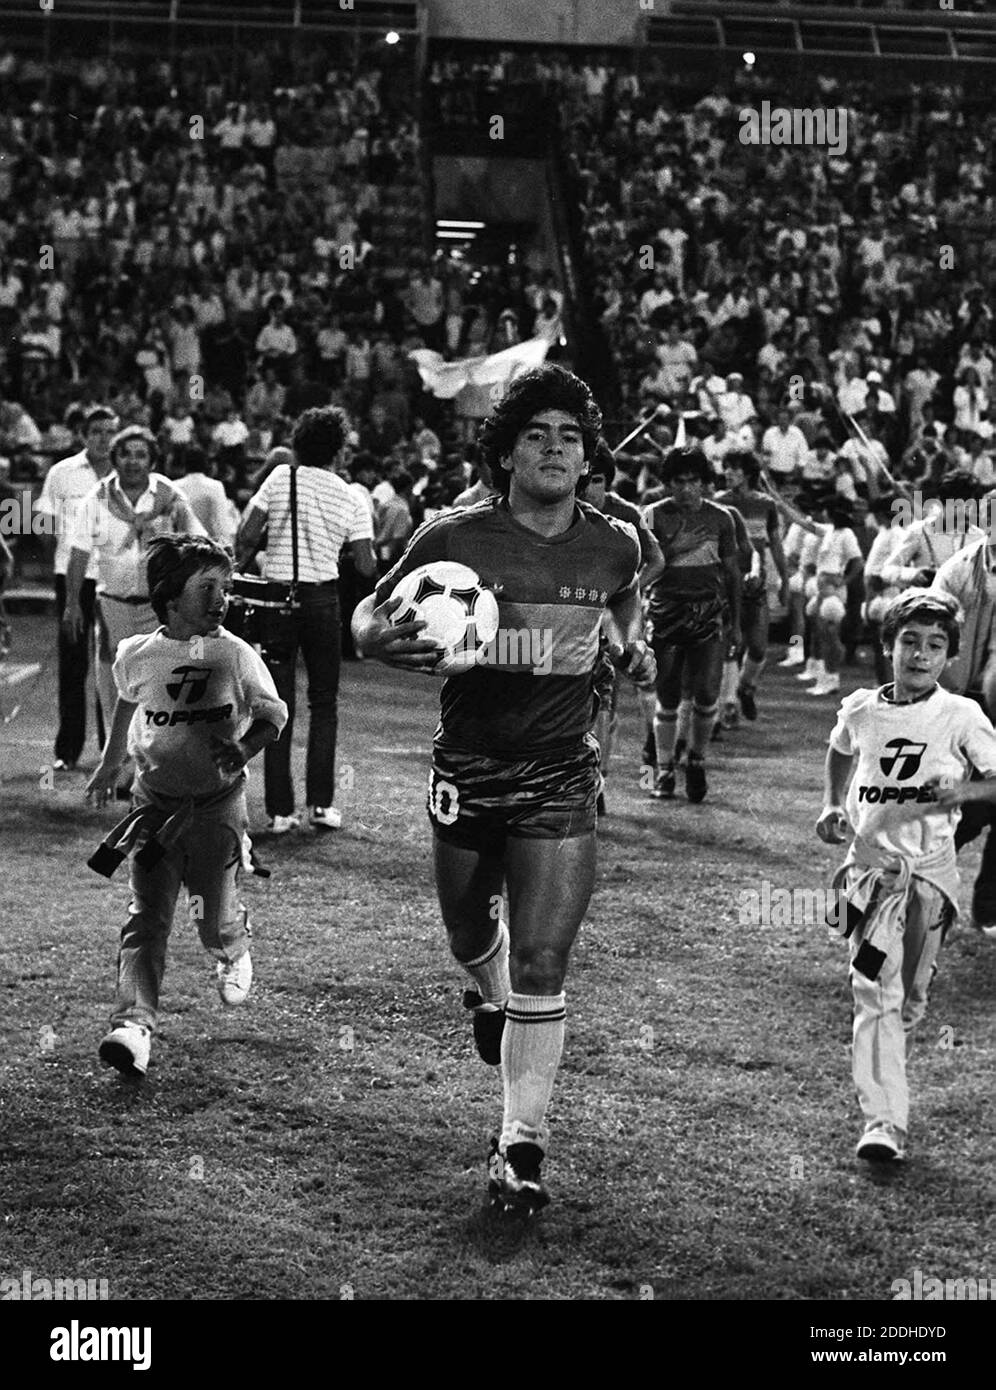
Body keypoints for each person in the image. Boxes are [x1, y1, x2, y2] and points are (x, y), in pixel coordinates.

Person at [350, 365, 654, 1215]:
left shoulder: (615, 542)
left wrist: (630, 645)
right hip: (470, 765)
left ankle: (520, 1143)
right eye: (537, 435)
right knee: (465, 927)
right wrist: (377, 642)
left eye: (571, 436)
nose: (556, 449)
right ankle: (486, 998)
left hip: (561, 769)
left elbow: (626, 602)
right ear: (508, 450)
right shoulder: (455, 537)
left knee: (545, 956)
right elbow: (367, 612)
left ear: (589, 455)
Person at [84, 534, 288, 1078]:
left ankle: (232, 941)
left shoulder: (234, 653)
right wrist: (111, 763)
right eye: (208, 588)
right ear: (171, 599)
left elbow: (275, 715)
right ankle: (133, 1028)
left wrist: (243, 748)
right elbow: (128, 705)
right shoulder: (136, 655)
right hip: (152, 807)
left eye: (225, 587)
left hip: (217, 809)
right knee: (147, 917)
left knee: (208, 919)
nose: (222, 599)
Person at [816, 590, 996, 1162]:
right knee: (875, 992)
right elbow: (840, 749)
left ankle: (897, 1030)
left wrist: (964, 790)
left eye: (935, 645)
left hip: (931, 876)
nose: (920, 655)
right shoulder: (863, 708)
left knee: (909, 1000)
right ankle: (884, 1123)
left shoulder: (961, 715)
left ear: (950, 656)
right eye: (909, 642)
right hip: (871, 874)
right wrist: (831, 804)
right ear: (887, 645)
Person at [236, 406, 376, 834]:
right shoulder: (353, 495)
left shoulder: (281, 478)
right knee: (324, 703)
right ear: (338, 451)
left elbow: (245, 535)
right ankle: (321, 805)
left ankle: (280, 811)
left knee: (279, 706)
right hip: (323, 600)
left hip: (278, 598)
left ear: (298, 444)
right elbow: (368, 566)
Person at [63, 425, 206, 761]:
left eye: (141, 454)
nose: (132, 461)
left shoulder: (170, 497)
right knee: (112, 687)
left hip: (157, 609)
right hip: (111, 605)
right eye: (125, 454)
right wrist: (72, 603)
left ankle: (153, 765)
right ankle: (117, 766)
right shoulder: (97, 498)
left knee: (157, 686)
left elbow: (198, 543)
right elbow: (79, 553)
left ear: (152, 460)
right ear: (114, 458)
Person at [642, 445, 741, 802]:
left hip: (708, 612)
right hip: (666, 612)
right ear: (667, 484)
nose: (686, 489)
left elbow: (732, 573)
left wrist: (738, 623)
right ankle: (665, 769)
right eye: (678, 482)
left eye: (693, 481)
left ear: (704, 483)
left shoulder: (722, 518)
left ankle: (697, 761)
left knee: (708, 691)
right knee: (667, 694)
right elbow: (641, 570)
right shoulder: (651, 516)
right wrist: (674, 548)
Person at [35, 405, 118, 770]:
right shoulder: (62, 472)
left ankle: (110, 748)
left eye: (110, 431)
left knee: (113, 664)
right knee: (73, 662)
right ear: (84, 436)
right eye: (97, 431)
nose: (104, 438)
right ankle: (67, 751)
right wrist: (62, 553)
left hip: (113, 577)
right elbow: (41, 520)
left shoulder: (126, 473)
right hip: (71, 577)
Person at [715, 451, 788, 721]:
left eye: (733, 468)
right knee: (730, 645)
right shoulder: (718, 503)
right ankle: (728, 704)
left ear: (747, 473)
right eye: (725, 468)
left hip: (757, 584)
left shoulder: (766, 504)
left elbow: (776, 545)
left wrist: (785, 582)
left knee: (758, 647)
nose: (728, 473)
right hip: (726, 582)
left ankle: (746, 687)